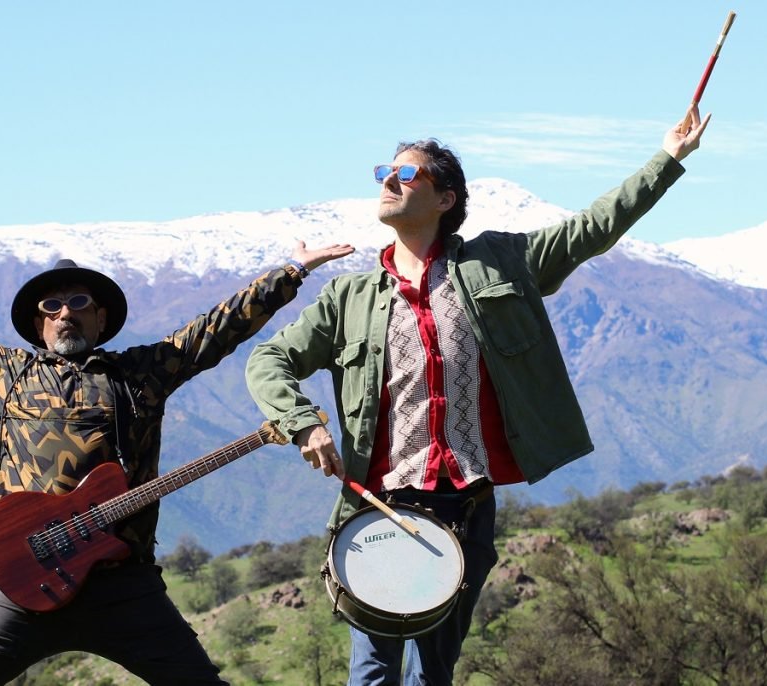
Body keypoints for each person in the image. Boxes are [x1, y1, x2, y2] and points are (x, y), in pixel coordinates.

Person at [244, 104, 710, 685]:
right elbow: (268, 360)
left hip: (464, 509)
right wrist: (303, 424)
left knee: (430, 675)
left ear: (446, 199)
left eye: (406, 173)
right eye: (384, 172)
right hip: (377, 507)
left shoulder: (501, 262)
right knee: (371, 674)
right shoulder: (350, 297)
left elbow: (593, 228)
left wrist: (667, 158)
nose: (389, 181)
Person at [0, 234, 353, 685]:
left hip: (124, 587)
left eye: (78, 303)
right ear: (38, 324)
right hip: (24, 584)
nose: (64, 313)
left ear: (101, 318)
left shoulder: (141, 372)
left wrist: (290, 273)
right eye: (52, 307)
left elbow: (216, 329)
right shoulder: (3, 371)